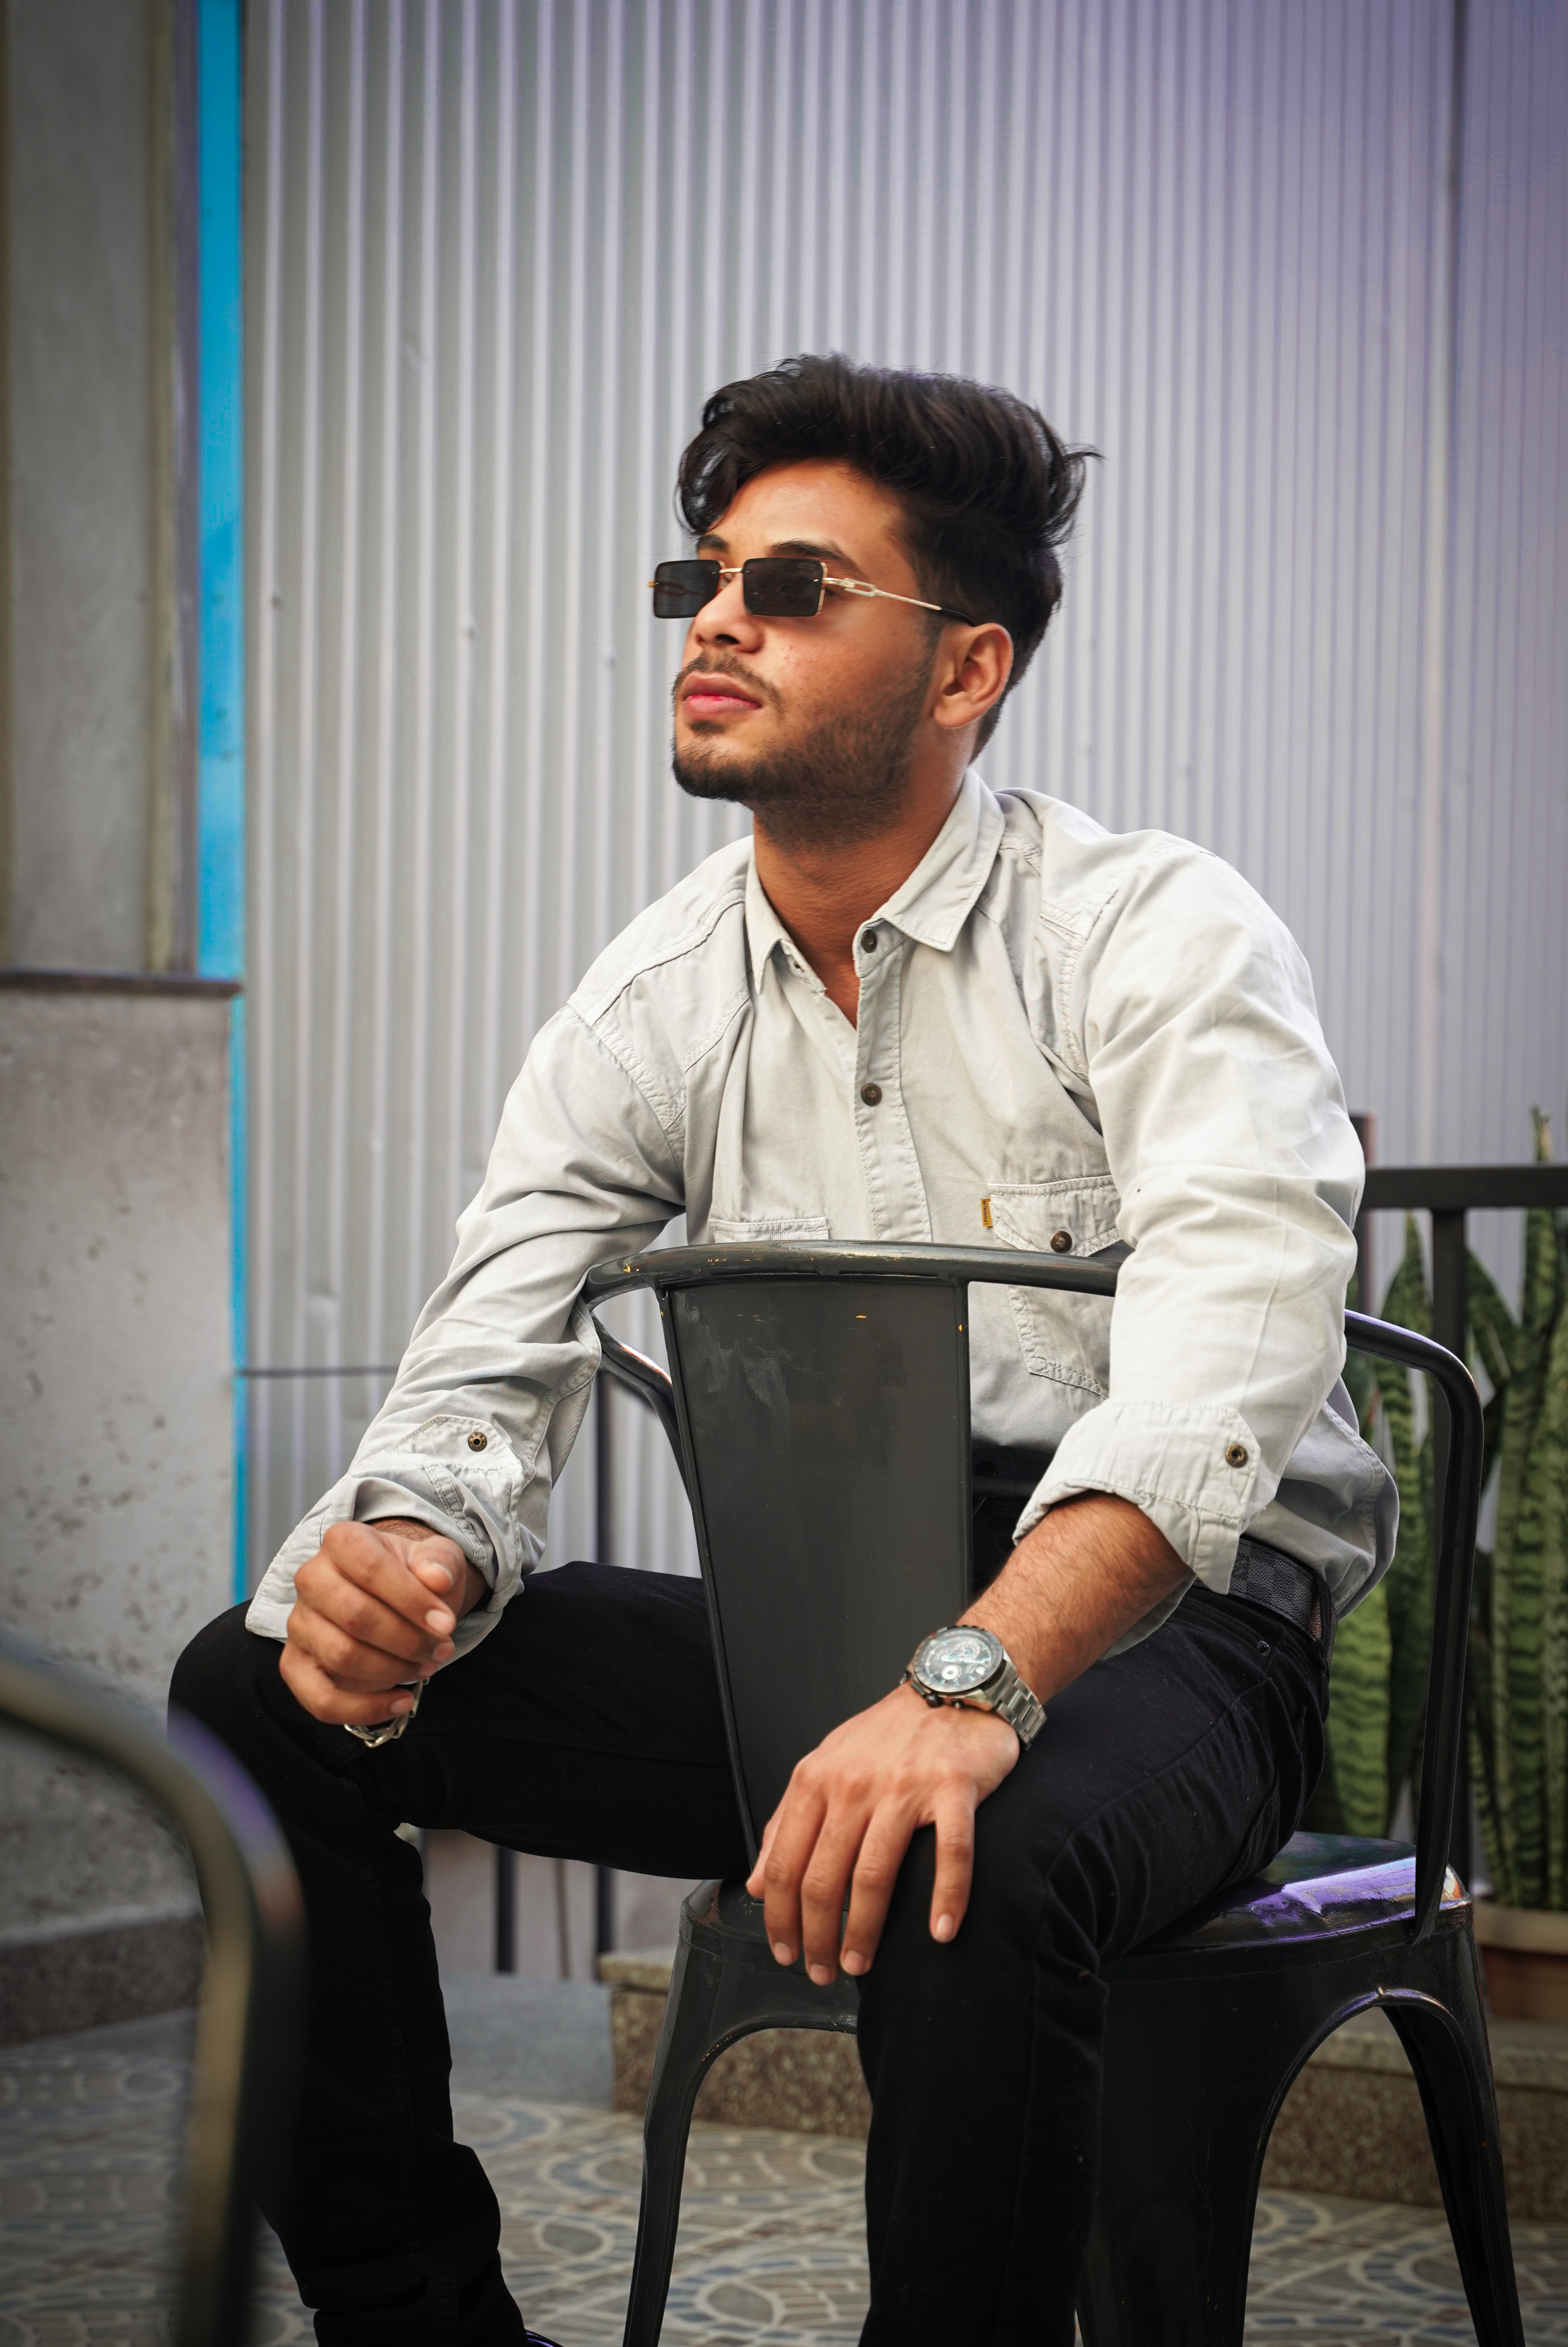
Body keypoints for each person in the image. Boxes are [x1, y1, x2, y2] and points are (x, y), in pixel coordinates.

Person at [174, 353, 1395, 2347]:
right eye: (707, 579)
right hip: (819, 1632)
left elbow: (1224, 1364)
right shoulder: (654, 997)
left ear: (968, 666)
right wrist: (406, 1544)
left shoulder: (1156, 931)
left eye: (798, 586)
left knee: (966, 1843)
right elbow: (492, 1339)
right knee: (259, 1686)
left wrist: (973, 1680)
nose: (720, 619)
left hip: (1173, 1637)